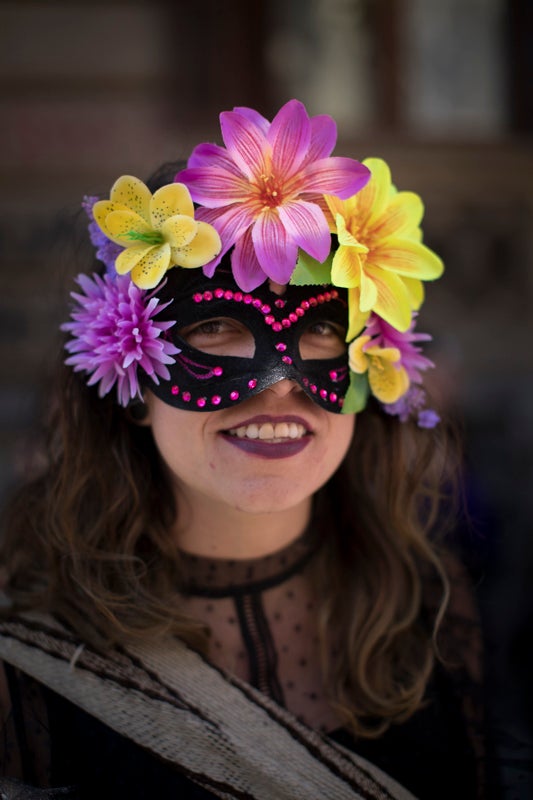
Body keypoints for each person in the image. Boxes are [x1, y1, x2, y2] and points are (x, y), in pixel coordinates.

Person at [0, 99, 498, 799]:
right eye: (212, 328)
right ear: (127, 371)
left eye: (322, 331)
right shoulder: (24, 667)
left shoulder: (431, 610)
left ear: (375, 361)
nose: (279, 387)